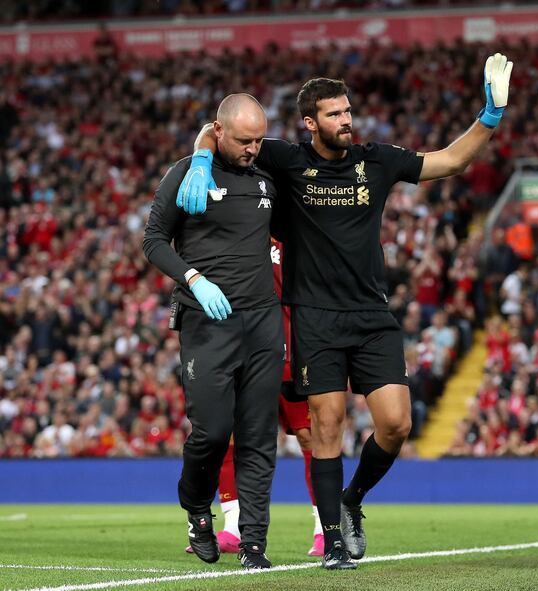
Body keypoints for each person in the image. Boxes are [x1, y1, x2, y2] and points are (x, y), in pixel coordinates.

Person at [175, 53, 513, 569]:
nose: (346, 120)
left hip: (371, 315)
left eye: (348, 110)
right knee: (325, 427)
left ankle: (352, 499)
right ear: (310, 122)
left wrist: (488, 118)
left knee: (396, 424)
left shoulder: (376, 160)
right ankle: (333, 543)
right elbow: (220, 131)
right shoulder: (285, 160)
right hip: (312, 316)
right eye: (334, 114)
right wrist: (201, 157)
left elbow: (450, 161)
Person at [142, 93, 283, 570]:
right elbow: (153, 240)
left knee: (260, 435)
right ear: (218, 132)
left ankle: (254, 543)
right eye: (244, 140)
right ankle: (198, 511)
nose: (253, 149)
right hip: (208, 321)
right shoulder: (188, 173)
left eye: (259, 139)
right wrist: (194, 279)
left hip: (263, 320)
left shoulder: (267, 174)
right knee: (212, 431)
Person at [185, 238, 324, 558]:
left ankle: (324, 527)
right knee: (227, 435)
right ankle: (232, 528)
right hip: (241, 349)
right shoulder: (236, 230)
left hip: (291, 347)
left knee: (309, 436)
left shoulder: (294, 233)